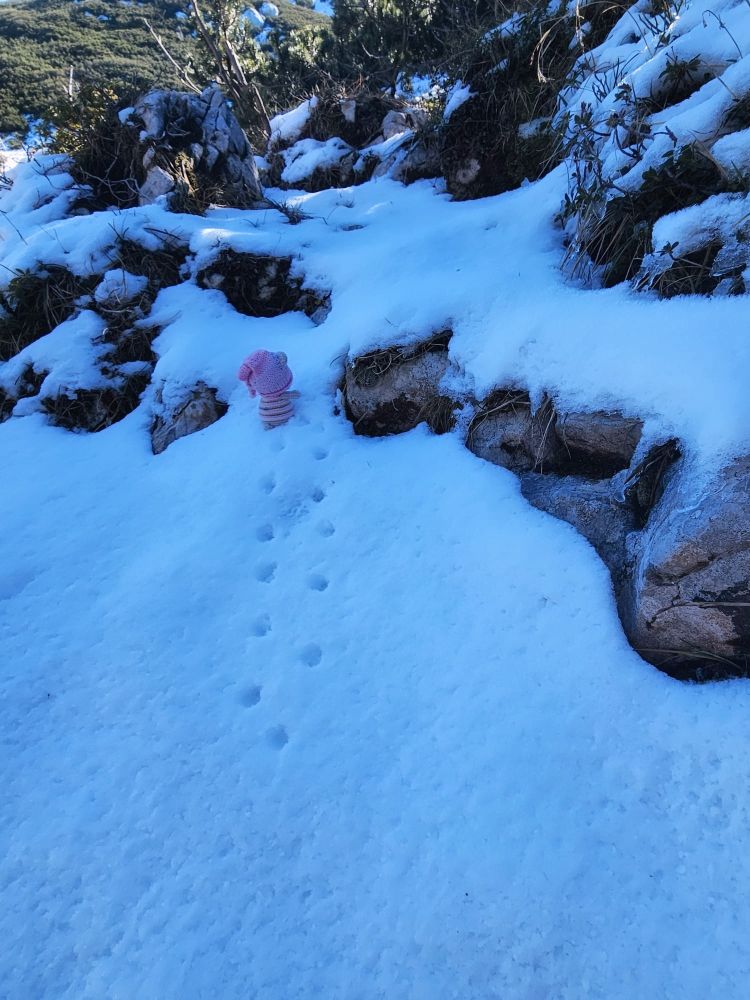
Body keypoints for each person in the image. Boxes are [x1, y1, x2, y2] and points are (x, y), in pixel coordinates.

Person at [237, 349, 299, 429]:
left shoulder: (265, 396)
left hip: (266, 418)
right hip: (286, 417)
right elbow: (296, 395)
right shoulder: (283, 394)